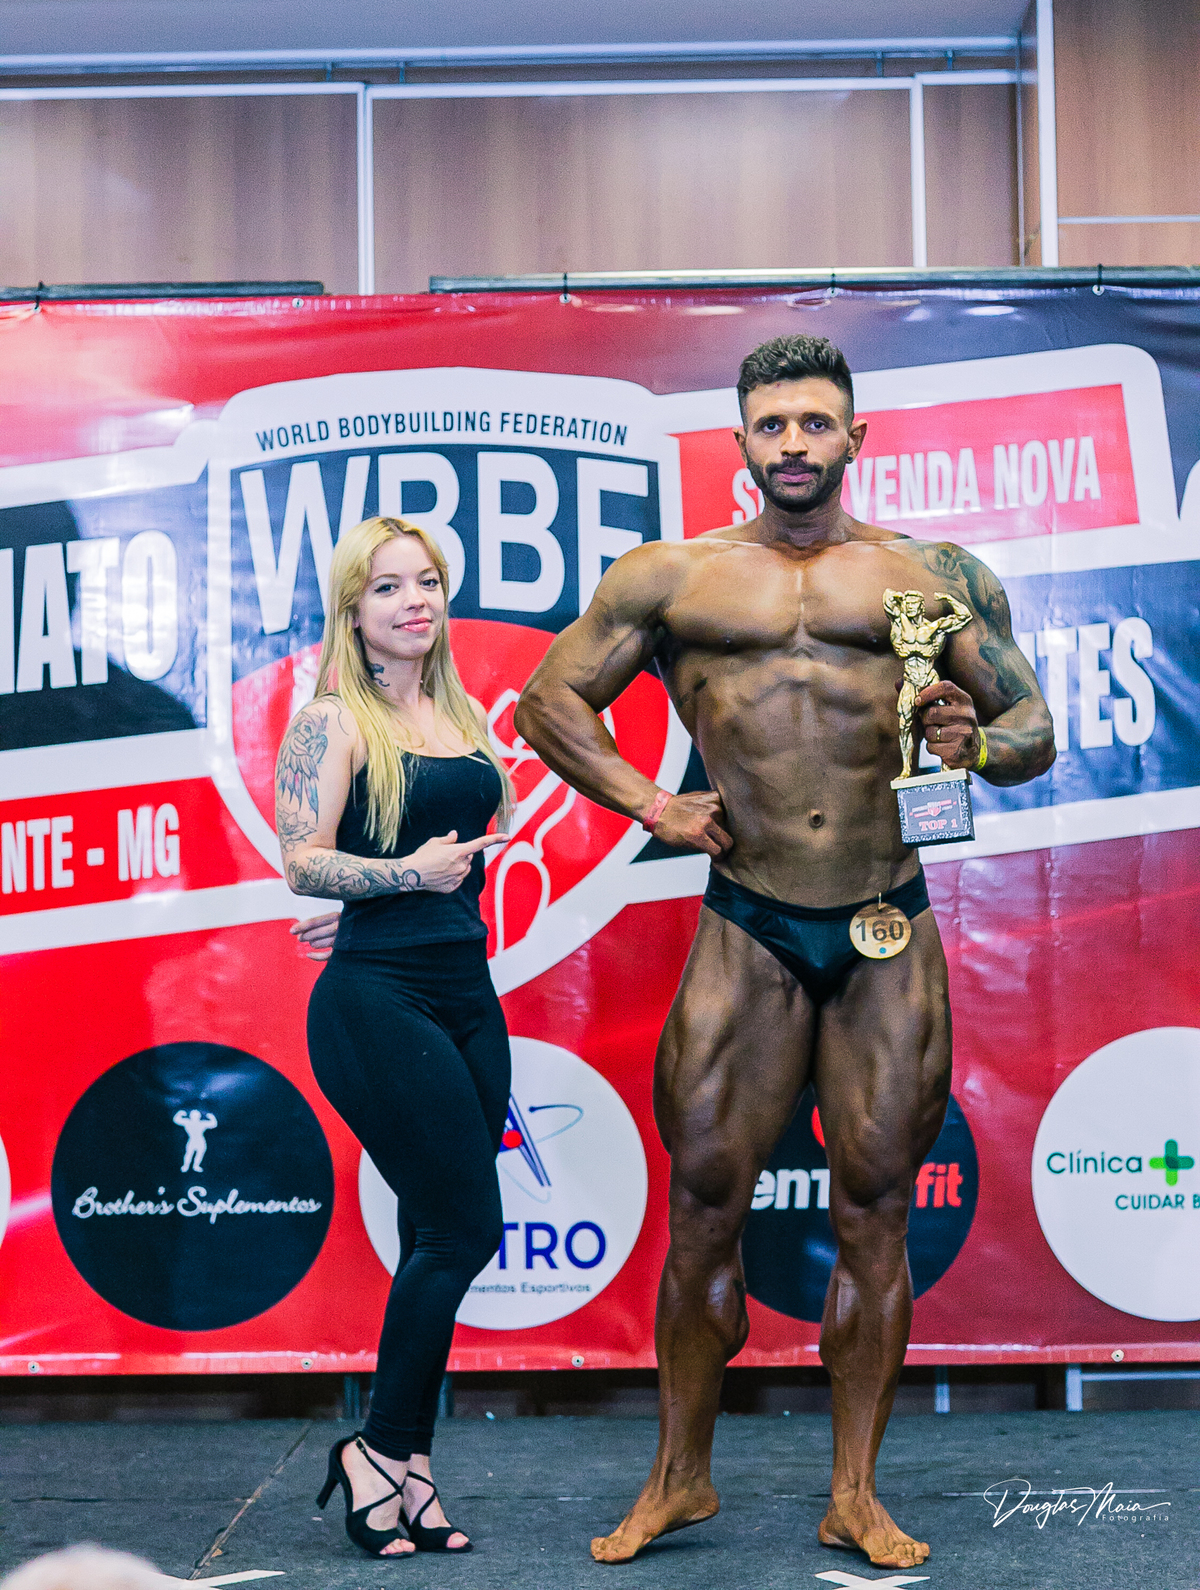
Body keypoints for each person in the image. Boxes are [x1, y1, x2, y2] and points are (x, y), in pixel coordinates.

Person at [513, 334, 1055, 1571]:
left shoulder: (933, 578)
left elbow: (1034, 729)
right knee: (704, 1205)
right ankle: (679, 1480)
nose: (795, 444)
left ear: (857, 437)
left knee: (876, 1211)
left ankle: (854, 1494)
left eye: (816, 422)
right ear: (742, 442)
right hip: (747, 922)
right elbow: (549, 701)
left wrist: (973, 745)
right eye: (773, 425)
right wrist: (652, 804)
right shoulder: (673, 578)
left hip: (886, 921)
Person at [276, 515, 512, 1559]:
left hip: (468, 994)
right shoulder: (330, 719)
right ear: (353, 610)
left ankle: (408, 1467)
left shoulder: (462, 715)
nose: (414, 601)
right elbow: (302, 859)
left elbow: (448, 867)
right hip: (376, 1005)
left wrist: (382, 896)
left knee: (435, 1237)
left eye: (427, 582)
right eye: (387, 587)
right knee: (465, 1232)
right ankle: (375, 1450)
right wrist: (398, 880)